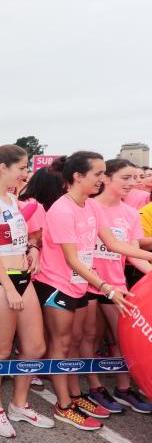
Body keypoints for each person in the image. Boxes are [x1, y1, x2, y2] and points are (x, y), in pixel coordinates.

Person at [36, 152, 147, 430]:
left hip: (81, 284)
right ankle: (63, 405)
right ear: (78, 176)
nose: (101, 179)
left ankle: (75, 394)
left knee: (74, 342)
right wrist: (107, 288)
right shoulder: (62, 210)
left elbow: (114, 244)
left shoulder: (91, 206)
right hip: (57, 285)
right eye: (97, 174)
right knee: (61, 345)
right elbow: (72, 259)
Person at [0, 145, 53, 438]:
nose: (25, 173)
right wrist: (9, 288)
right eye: (21, 167)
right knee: (1, 349)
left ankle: (19, 404)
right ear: (3, 168)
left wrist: (32, 250)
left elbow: (19, 236)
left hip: (21, 276)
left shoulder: (11, 197)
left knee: (35, 347)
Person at [82, 159, 152, 414]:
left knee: (122, 337)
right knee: (90, 337)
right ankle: (95, 386)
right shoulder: (88, 207)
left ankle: (123, 388)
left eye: (135, 178)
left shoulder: (130, 213)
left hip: (117, 286)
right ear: (106, 178)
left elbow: (133, 254)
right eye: (126, 178)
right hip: (87, 284)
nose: (132, 183)